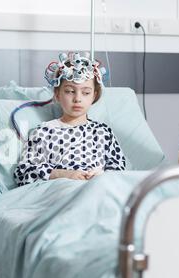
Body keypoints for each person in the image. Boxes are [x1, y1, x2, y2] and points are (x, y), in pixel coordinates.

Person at [13, 52, 132, 186]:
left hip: (98, 189)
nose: (77, 99)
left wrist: (101, 176)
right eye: (70, 91)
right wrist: (64, 174)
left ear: (94, 95)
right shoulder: (43, 132)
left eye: (86, 93)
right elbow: (23, 174)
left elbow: (119, 171)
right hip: (60, 191)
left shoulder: (103, 133)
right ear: (57, 94)